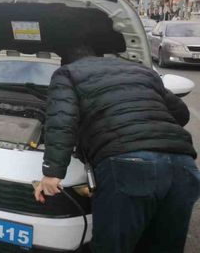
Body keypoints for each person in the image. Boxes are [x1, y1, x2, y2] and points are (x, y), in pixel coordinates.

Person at [34, 44, 200, 253]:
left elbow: (61, 121)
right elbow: (182, 114)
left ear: (66, 62)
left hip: (130, 167)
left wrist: (52, 173)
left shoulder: (67, 73)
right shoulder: (142, 72)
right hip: (183, 166)